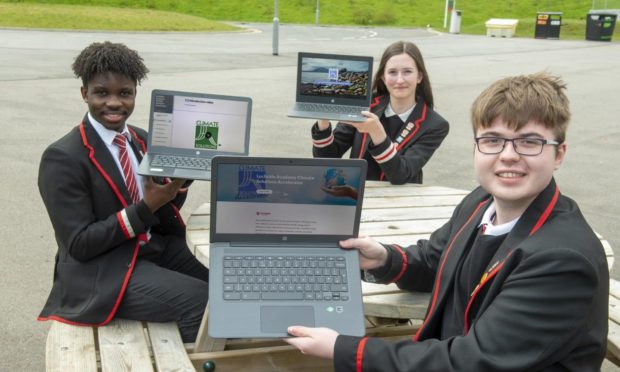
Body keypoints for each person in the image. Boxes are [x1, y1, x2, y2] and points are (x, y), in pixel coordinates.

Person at [286, 72, 609, 371]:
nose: (508, 155)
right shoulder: (481, 203)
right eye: (493, 140)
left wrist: (344, 348)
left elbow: (471, 362)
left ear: (559, 154)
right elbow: (435, 260)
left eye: (529, 142)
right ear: (476, 148)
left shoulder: (562, 260)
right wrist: (382, 258)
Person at [37, 41, 209, 342]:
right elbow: (80, 244)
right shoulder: (62, 157)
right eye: (102, 93)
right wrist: (144, 208)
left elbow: (163, 207)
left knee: (232, 280)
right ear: (84, 94)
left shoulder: (140, 140)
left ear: (134, 95)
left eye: (124, 93)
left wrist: (181, 181)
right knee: (205, 302)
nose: (114, 103)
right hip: (105, 269)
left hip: (153, 247)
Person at [311, 41, 449, 184]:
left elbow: (401, 175)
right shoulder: (365, 106)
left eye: (407, 71)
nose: (400, 80)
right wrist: (323, 121)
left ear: (419, 76)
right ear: (383, 77)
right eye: (392, 72)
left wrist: (377, 132)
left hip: (402, 201)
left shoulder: (434, 124)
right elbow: (327, 158)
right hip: (356, 194)